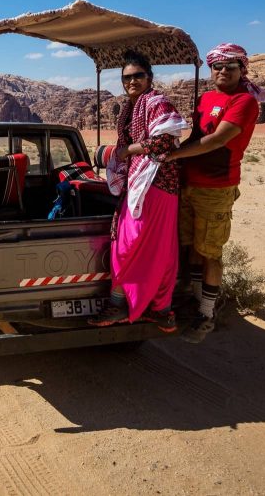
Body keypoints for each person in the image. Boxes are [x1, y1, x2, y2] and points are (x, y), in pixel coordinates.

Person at [166, 43, 265, 343]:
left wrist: (170, 157)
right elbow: (196, 136)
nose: (223, 71)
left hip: (216, 186)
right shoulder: (206, 98)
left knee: (210, 250)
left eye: (230, 66)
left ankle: (207, 314)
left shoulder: (245, 101)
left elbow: (216, 140)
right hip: (188, 182)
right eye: (217, 66)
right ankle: (194, 301)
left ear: (242, 70)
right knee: (190, 247)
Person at [89, 51, 188, 331]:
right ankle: (158, 309)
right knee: (140, 245)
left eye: (137, 76)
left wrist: (123, 152)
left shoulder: (157, 102)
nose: (131, 81)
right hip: (139, 183)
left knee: (130, 246)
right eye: (126, 77)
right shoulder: (131, 106)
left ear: (149, 77)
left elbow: (164, 142)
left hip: (157, 184)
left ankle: (124, 306)